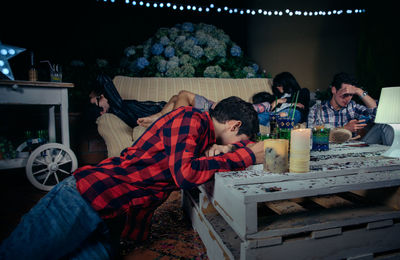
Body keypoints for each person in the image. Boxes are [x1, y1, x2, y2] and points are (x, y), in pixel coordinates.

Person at [0, 96, 265, 259]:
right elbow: (185, 174)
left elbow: (188, 168)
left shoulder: (202, 138)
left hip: (108, 222)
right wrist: (249, 156)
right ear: (234, 125)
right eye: (239, 141)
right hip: (84, 198)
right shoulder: (191, 118)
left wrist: (227, 151)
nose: (235, 147)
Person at [308, 72, 394, 145]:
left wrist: (358, 91)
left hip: (353, 147)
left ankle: (396, 161)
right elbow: (311, 136)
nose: (348, 99)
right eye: (345, 94)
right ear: (334, 90)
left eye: (351, 95)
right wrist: (344, 129)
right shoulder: (316, 109)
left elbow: (377, 114)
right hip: (329, 149)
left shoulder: (352, 106)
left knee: (385, 125)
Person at [88, 74, 167, 128]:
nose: (102, 96)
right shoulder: (117, 107)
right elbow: (103, 78)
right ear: (102, 112)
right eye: (99, 99)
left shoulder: (118, 107)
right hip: (163, 111)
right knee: (176, 97)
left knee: (175, 97)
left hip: (163, 108)